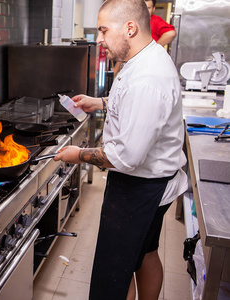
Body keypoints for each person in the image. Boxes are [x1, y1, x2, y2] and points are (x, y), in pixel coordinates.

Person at [53, 0, 188, 299]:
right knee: (145, 254)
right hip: (151, 184)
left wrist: (78, 155)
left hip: (140, 189)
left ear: (130, 28)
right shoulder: (142, 59)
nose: (99, 38)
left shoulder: (148, 78)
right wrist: (99, 102)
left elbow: (125, 157)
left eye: (103, 30)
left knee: (117, 268)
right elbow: (132, 105)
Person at [114, 0, 176, 76]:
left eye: (148, 8)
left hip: (147, 64)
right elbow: (126, 47)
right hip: (131, 64)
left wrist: (153, 47)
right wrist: (115, 71)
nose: (145, 11)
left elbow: (170, 33)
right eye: (143, 7)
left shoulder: (155, 20)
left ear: (153, 9)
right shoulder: (132, 22)